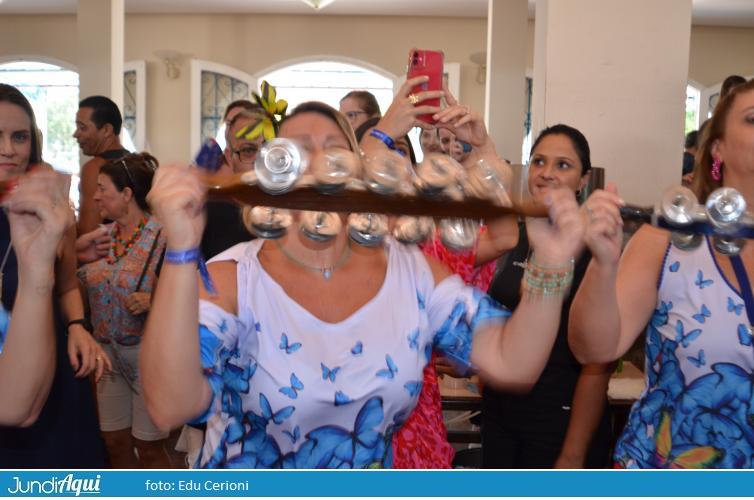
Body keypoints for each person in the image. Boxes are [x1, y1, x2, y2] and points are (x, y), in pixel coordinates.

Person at [141, 76, 585, 469]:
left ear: (358, 174)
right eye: (297, 151)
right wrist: (181, 246)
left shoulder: (411, 273)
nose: (321, 162)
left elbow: (513, 362)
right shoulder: (235, 279)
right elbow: (169, 405)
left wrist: (550, 264)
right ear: (274, 174)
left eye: (335, 149)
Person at [569, 79, 754, 469]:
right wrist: (603, 264)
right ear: (717, 148)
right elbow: (593, 350)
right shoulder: (669, 241)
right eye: (753, 118)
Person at [482, 124, 613, 469]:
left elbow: (597, 366)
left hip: (560, 419)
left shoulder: (595, 246)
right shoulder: (516, 236)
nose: (546, 173)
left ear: (584, 180)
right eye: (539, 162)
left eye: (563, 165)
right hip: (500, 414)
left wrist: (572, 453)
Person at [0, 83, 107, 467]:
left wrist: (77, 326)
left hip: (52, 370)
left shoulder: (49, 207)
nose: (9, 149)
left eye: (19, 136)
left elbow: (66, 285)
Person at [77, 152, 169, 468]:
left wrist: (156, 302)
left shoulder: (163, 236)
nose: (95, 196)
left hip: (148, 356)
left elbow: (197, 292)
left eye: (102, 188)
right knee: (114, 442)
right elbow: (74, 286)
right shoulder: (101, 239)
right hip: (106, 357)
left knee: (149, 447)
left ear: (127, 194)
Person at [200, 107, 262, 259]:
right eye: (248, 150)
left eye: (271, 148)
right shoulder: (204, 216)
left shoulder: (300, 211)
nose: (261, 159)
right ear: (229, 157)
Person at [74, 96, 129, 235]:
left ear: (106, 130)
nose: (76, 134)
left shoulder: (95, 168)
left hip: (106, 248)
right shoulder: (136, 162)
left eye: (82, 128)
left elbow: (89, 231)